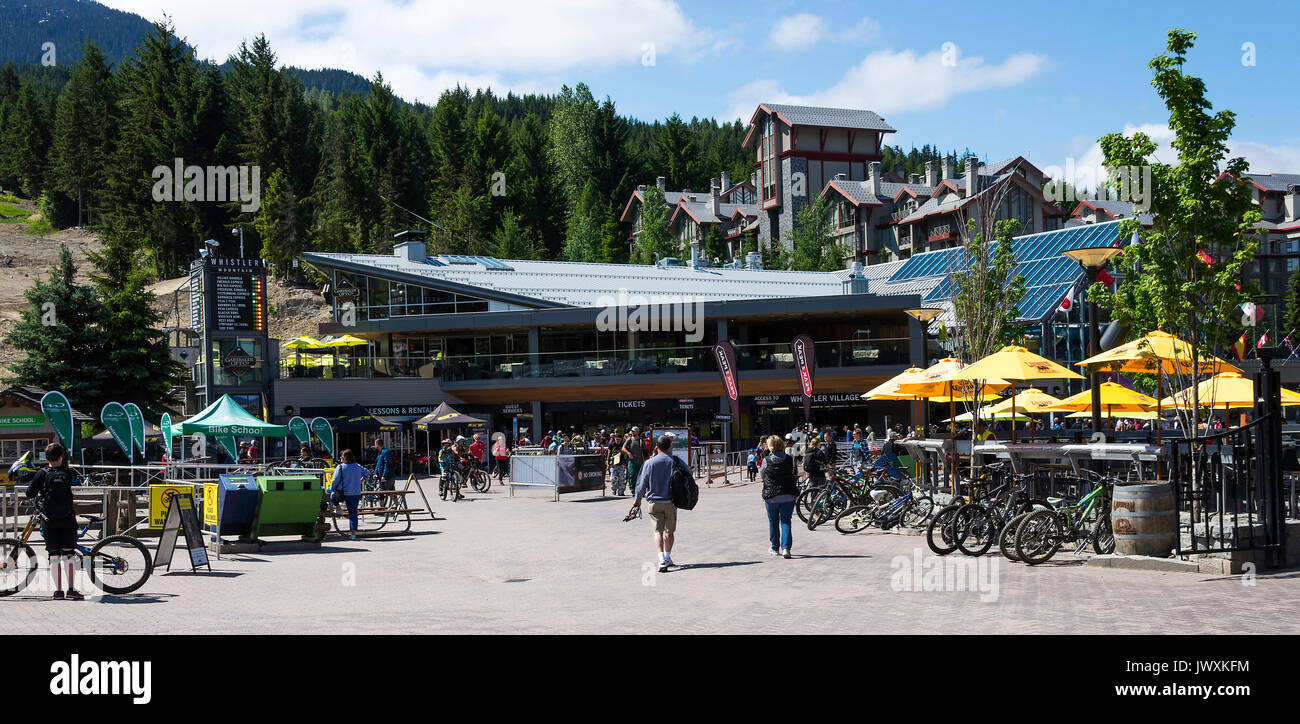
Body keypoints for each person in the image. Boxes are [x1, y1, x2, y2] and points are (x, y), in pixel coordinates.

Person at [25, 443, 82, 599]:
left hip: (48, 520)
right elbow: (77, 484)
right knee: (69, 554)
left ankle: (58, 591)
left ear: (46, 457)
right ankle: (71, 590)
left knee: (54, 556)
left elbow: (29, 493)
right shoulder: (68, 472)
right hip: (68, 518)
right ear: (61, 456)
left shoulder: (42, 473)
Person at [631, 434, 683, 572]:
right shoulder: (675, 461)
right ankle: (667, 557)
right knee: (669, 532)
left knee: (657, 531)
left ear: (656, 447)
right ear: (669, 446)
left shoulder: (649, 463)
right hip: (671, 502)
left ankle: (661, 560)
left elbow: (641, 485)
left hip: (654, 502)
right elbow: (688, 473)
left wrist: (637, 502)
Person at [760, 435, 798, 558]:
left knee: (773, 521)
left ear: (770, 446)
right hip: (788, 494)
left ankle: (775, 548)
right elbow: (792, 472)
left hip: (771, 496)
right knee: (786, 521)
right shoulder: (789, 458)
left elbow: (762, 474)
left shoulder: (766, 460)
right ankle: (786, 548)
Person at [329, 449, 368, 540]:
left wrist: (332, 488)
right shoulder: (357, 466)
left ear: (346, 458)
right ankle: (353, 534)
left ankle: (338, 508)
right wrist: (363, 479)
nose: (340, 458)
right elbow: (367, 472)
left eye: (342, 456)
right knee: (353, 513)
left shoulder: (340, 467)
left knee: (333, 495)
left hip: (344, 493)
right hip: (355, 493)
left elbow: (335, 481)